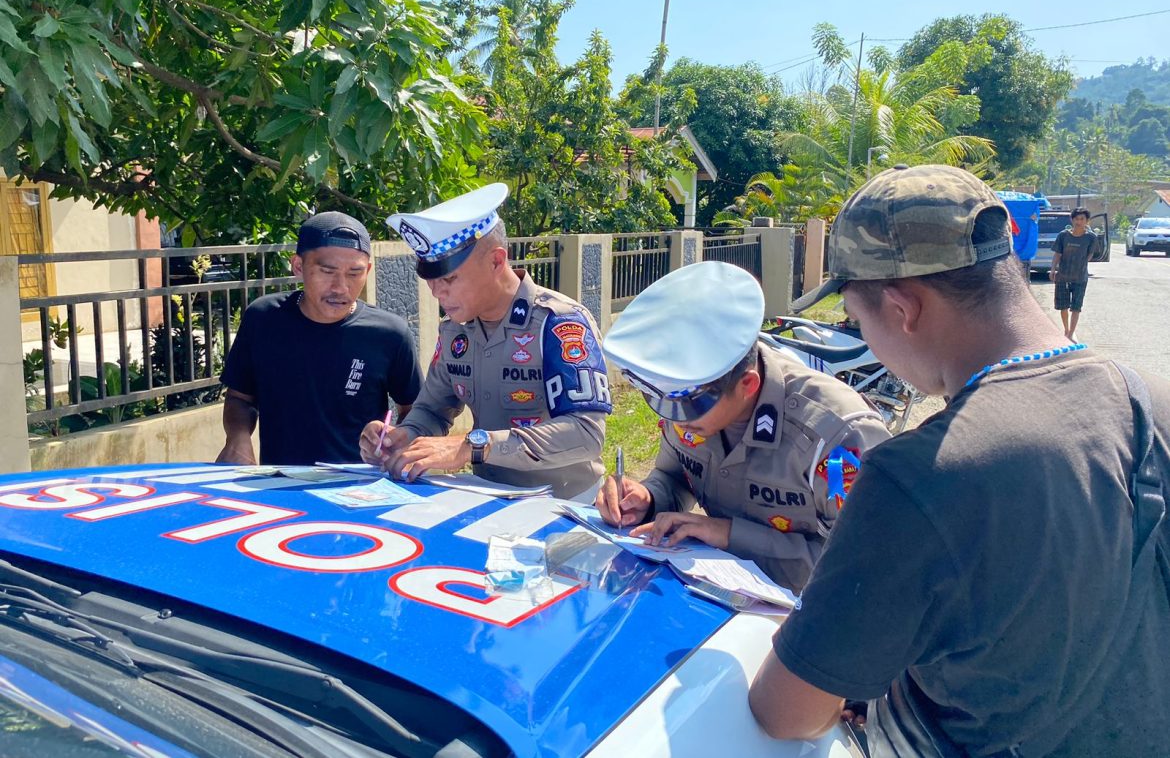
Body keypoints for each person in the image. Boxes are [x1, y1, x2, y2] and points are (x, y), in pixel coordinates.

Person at [748, 165, 1170, 756]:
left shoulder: (920, 474)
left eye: (857, 319)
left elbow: (785, 712)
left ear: (902, 307)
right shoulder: (1150, 395)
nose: (865, 338)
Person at [595, 261, 890, 592]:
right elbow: (674, 478)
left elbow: (869, 565)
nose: (677, 420)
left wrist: (728, 535)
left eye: (687, 405)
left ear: (747, 385)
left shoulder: (835, 438)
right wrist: (647, 498)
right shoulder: (694, 409)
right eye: (662, 402)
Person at [358, 183, 612, 500]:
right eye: (431, 281)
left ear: (495, 261)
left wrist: (476, 445)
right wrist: (402, 437)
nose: (437, 293)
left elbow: (587, 434)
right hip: (488, 499)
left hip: (564, 504)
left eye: (449, 279)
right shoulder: (455, 332)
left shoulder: (559, 323)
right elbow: (432, 411)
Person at [217, 212, 422, 466]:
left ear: (368, 270)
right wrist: (238, 438)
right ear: (298, 266)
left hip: (361, 490)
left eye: (354, 273)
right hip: (279, 486)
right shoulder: (263, 319)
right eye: (327, 271)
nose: (341, 287)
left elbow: (415, 410)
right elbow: (239, 397)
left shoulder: (390, 333)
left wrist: (397, 441)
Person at [1049, 206, 1098, 342]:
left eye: (1082, 219)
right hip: (1063, 276)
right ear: (1072, 220)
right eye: (1076, 219)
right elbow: (1057, 254)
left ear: (1087, 221)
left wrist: (1080, 264)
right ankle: (1065, 329)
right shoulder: (1063, 236)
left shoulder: (1091, 238)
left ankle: (1071, 333)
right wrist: (1053, 269)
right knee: (1063, 306)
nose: (1079, 221)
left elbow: (1090, 254)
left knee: (1076, 307)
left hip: (1080, 278)